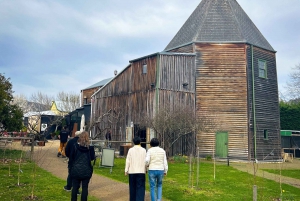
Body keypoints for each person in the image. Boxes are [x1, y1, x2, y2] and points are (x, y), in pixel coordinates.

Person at [69, 131, 95, 201]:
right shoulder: (90, 148)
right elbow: (92, 158)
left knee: (75, 187)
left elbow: (71, 157)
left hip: (76, 169)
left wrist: (71, 168)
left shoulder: (75, 146)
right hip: (86, 169)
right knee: (85, 188)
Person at [125, 136, 147, 201]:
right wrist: (146, 169)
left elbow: (128, 160)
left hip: (132, 171)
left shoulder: (130, 150)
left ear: (133, 142)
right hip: (141, 171)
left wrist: (126, 170)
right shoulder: (144, 150)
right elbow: (145, 161)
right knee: (140, 187)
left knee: (132, 187)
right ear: (140, 142)